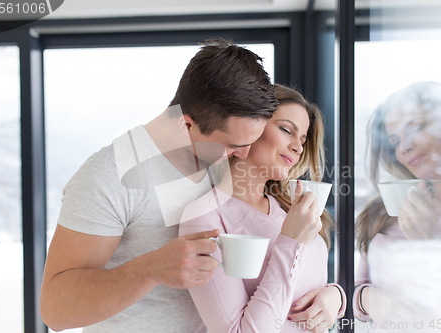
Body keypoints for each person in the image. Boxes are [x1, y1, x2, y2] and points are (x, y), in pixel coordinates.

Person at [39, 38, 279, 332]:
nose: (244, 154)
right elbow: (55, 310)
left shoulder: (220, 161)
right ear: (187, 125)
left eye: (249, 143)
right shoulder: (109, 176)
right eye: (233, 145)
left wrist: (332, 296)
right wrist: (149, 270)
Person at [179, 84, 346, 333]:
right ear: (251, 125)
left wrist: (336, 297)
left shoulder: (289, 209)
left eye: (302, 140)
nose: (298, 148)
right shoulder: (206, 217)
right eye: (287, 130)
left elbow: (305, 284)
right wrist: (290, 240)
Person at [353, 81, 441, 331]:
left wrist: (433, 241)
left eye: (416, 128)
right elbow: (351, 290)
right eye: (395, 141)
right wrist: (370, 299)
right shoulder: (386, 210)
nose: (405, 147)